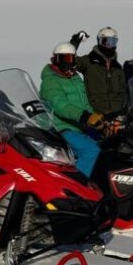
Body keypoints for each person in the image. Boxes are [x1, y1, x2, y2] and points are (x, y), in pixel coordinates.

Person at [39, 41, 109, 178]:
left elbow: (85, 104)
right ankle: (78, 188)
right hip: (60, 128)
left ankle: (103, 186)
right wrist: (84, 117)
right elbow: (60, 105)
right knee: (90, 150)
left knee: (108, 146)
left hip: (78, 127)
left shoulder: (75, 78)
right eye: (63, 59)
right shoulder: (50, 81)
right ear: (55, 60)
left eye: (70, 59)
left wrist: (96, 119)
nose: (67, 63)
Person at [73, 27, 128, 117]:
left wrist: (124, 109)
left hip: (117, 115)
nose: (109, 45)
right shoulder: (89, 61)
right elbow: (70, 61)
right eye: (105, 41)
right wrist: (75, 43)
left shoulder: (117, 67)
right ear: (99, 41)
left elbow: (123, 92)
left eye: (112, 42)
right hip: (96, 113)